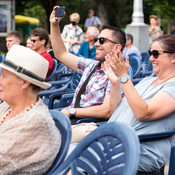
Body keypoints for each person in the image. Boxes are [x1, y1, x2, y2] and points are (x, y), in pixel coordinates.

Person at [70, 34, 175, 174]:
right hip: (112, 142)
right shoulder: (147, 81)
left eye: (155, 54)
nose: (150, 58)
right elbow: (115, 111)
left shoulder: (172, 87)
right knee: (62, 152)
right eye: (150, 53)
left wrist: (124, 77)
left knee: (74, 160)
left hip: (137, 149)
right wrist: (115, 83)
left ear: (173, 57)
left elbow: (144, 112)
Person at [50, 6, 126, 123]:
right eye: (96, 39)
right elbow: (61, 54)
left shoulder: (120, 72)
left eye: (101, 40)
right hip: (71, 119)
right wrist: (54, 25)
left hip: (89, 125)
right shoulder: (92, 65)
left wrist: (72, 112)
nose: (96, 44)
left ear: (117, 47)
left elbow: (107, 111)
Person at [0, 44, 61, 174]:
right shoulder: (8, 106)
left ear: (24, 82)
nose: (0, 80)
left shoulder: (34, 121)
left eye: (4, 76)